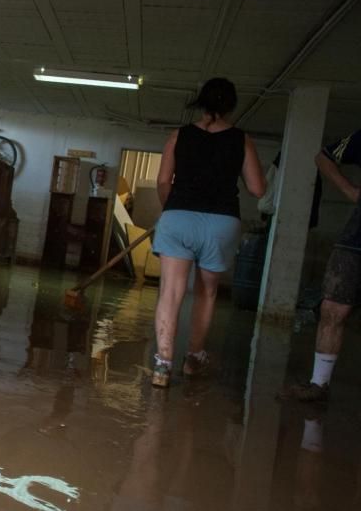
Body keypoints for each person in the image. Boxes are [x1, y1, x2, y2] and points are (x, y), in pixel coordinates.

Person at [149, 78, 266, 388]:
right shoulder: (242, 140)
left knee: (170, 292)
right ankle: (193, 357)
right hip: (221, 222)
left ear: (200, 103)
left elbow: (163, 182)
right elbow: (257, 188)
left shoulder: (179, 136)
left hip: (178, 217)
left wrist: (173, 209)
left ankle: (162, 364)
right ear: (230, 106)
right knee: (206, 292)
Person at [280, 130, 361, 401]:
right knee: (331, 310)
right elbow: (324, 157)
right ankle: (319, 385)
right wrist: (350, 190)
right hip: (356, 238)